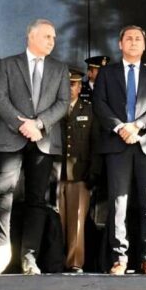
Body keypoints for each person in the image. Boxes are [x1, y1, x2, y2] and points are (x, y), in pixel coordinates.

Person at [0, 18, 70, 275]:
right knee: (3, 192)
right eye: (47, 36)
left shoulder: (59, 68)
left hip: (42, 141)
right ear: (30, 36)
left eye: (54, 37)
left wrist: (39, 124)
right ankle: (0, 248)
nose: (52, 41)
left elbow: (63, 102)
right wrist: (21, 124)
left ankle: (29, 256)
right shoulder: (9, 64)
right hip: (12, 137)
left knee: (36, 199)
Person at [92, 25, 146, 275]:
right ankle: (120, 259)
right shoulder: (107, 73)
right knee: (118, 202)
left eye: (138, 39)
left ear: (144, 46)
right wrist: (119, 128)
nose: (133, 42)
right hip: (117, 144)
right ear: (120, 44)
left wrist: (136, 126)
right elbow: (100, 104)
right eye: (129, 38)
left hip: (145, 144)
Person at [59, 68, 99, 273]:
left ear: (80, 86)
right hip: (56, 173)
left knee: (76, 220)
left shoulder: (89, 110)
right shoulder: (53, 109)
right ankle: (55, 259)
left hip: (79, 173)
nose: (69, 88)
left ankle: (74, 261)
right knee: (57, 219)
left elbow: (95, 144)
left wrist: (93, 172)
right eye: (66, 84)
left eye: (73, 84)